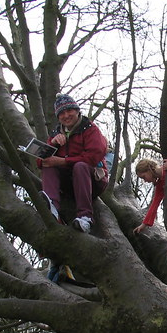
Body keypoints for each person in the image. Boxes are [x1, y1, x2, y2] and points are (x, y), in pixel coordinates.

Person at [38, 92, 109, 233]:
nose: (66, 116)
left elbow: (93, 156)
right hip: (68, 183)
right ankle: (52, 208)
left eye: (69, 111)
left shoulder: (89, 129)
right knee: (49, 165)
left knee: (80, 166)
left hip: (92, 180)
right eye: (62, 113)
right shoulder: (55, 133)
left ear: (77, 111)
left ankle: (86, 217)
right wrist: (53, 144)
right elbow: (40, 162)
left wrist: (63, 161)